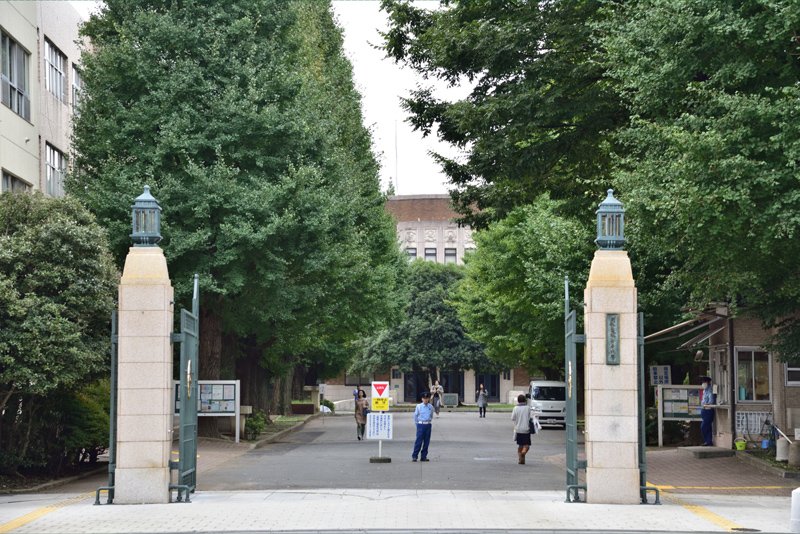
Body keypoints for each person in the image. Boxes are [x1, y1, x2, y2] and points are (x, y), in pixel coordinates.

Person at [411, 391, 434, 462]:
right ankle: (414, 456)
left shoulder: (431, 407)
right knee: (419, 441)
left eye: (427, 398)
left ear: (429, 399)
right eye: (424, 398)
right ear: (422, 399)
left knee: (426, 442)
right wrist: (417, 425)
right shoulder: (419, 406)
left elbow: (431, 416)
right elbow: (415, 416)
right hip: (421, 425)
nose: (426, 400)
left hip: (428, 425)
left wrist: (428, 422)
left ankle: (424, 456)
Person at [511, 394, 532, 464]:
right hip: (526, 429)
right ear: (525, 400)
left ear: (518, 401)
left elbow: (512, 418)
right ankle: (523, 453)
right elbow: (531, 417)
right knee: (527, 445)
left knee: (520, 445)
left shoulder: (515, 408)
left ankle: (521, 459)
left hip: (518, 429)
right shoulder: (528, 408)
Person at [700, 376, 715, 446]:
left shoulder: (710, 390)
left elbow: (711, 401)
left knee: (704, 427)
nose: (703, 383)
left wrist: (705, 404)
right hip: (704, 410)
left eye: (704, 382)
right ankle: (708, 441)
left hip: (708, 410)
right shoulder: (704, 390)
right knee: (707, 427)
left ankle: (708, 441)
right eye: (702, 382)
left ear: (708, 382)